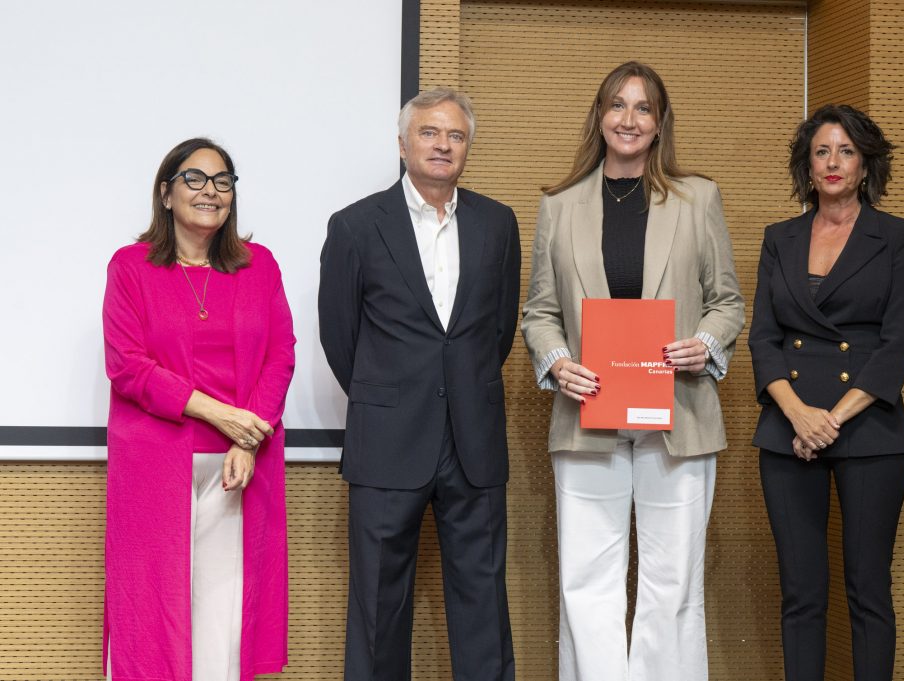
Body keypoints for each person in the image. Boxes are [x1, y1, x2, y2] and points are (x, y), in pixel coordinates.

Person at [521, 62, 745, 681]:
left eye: (642, 108)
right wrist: (558, 361)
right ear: (599, 115)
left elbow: (727, 300)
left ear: (659, 122)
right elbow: (539, 312)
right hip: (587, 417)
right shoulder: (559, 205)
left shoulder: (698, 198)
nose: (628, 118)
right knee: (586, 582)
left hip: (679, 414)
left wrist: (704, 342)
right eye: (617, 105)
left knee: (673, 583)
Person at [318, 87, 520, 681]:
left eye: (456, 136)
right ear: (403, 142)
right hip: (387, 440)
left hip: (473, 441)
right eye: (430, 133)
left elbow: (497, 331)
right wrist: (391, 393)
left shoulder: (497, 222)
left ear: (467, 148)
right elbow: (340, 337)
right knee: (379, 607)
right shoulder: (355, 225)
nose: (443, 145)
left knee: (483, 601)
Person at [102, 138, 295, 681]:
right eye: (194, 179)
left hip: (240, 466)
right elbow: (129, 368)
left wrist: (246, 437)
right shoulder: (130, 268)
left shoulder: (260, 266)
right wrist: (223, 415)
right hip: (154, 467)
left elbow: (281, 356)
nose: (210, 191)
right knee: (149, 616)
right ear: (165, 194)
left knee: (225, 621)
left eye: (223, 181)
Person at [748, 104, 904, 681]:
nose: (833, 162)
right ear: (808, 163)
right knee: (800, 594)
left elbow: (895, 346)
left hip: (870, 430)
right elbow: (764, 340)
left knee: (868, 588)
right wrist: (799, 416)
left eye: (846, 150)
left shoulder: (898, 237)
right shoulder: (781, 237)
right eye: (822, 150)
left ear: (866, 161)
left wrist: (831, 422)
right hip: (788, 430)